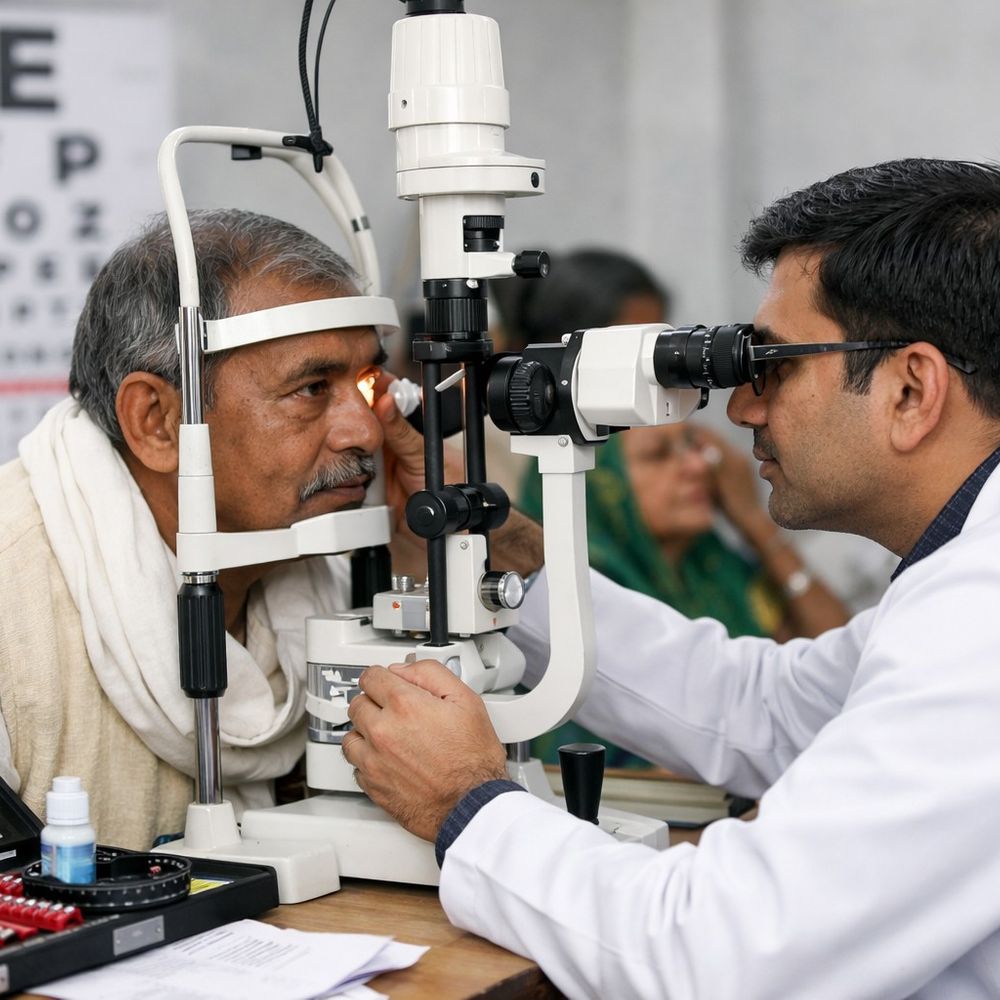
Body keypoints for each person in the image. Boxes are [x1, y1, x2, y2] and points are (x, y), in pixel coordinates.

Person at [343, 158, 1000, 998]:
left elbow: (715, 956)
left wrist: (465, 803)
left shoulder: (980, 628)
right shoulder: (962, 582)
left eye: (772, 365)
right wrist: (510, 560)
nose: (742, 409)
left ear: (912, 390)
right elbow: (760, 707)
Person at [0, 207, 537, 852]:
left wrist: (467, 534)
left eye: (367, 383)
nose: (365, 431)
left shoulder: (345, 555)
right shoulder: (16, 602)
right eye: (312, 388)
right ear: (157, 421)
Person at [511, 250, 847, 768]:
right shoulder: (572, 589)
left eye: (692, 447)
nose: (698, 467)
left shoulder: (712, 564)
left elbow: (826, 688)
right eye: (661, 456)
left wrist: (755, 524)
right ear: (604, 485)